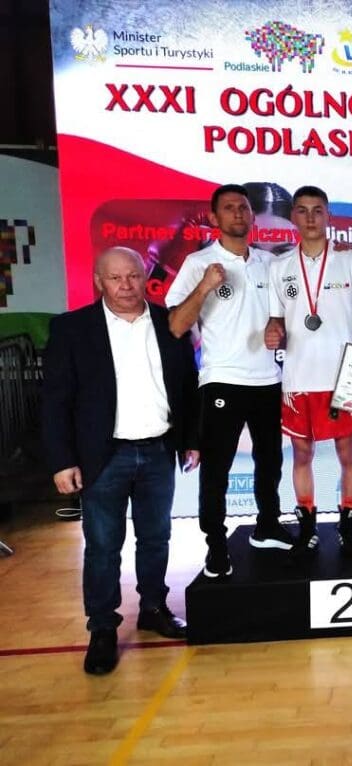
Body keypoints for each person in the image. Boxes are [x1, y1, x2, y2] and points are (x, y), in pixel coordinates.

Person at [42, 247, 199, 675]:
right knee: (102, 547)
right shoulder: (72, 329)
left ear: (145, 277)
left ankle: (153, 608)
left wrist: (191, 439)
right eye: (115, 278)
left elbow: (188, 386)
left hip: (158, 450)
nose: (126, 286)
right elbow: (55, 401)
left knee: (156, 538)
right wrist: (61, 461)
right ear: (99, 281)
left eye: (133, 276)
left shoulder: (169, 323)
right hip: (102, 456)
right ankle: (102, 628)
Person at [165, 184, 293, 579]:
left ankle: (267, 526)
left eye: (243, 207)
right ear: (214, 218)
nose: (237, 213)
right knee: (217, 467)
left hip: (268, 379)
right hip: (222, 379)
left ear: (252, 216)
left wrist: (278, 327)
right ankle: (216, 545)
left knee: (270, 460)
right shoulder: (199, 263)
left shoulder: (269, 264)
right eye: (229, 207)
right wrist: (205, 286)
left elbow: (282, 315)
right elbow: (176, 325)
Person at [264, 186, 352, 558]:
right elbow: (276, 320)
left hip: (346, 374)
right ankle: (307, 528)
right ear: (293, 217)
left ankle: (348, 528)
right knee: (301, 454)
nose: (310, 218)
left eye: (317, 210)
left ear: (328, 215)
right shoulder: (279, 267)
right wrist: (273, 332)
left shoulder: (351, 260)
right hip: (298, 377)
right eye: (302, 210)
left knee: (347, 452)